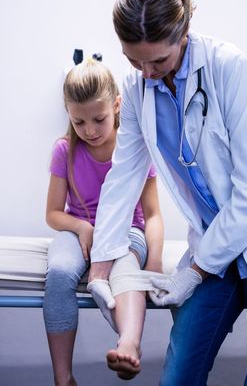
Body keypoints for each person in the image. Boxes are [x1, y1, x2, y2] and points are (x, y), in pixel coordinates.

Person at [88, 0, 247, 386]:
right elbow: (123, 176)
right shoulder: (137, 86)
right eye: (133, 60)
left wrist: (194, 270)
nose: (147, 72)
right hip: (215, 239)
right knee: (179, 370)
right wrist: (99, 268)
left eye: (157, 61)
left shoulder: (227, 67)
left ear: (183, 35)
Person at [43, 57, 164, 386]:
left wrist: (153, 262)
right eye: (79, 122)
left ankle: (128, 345)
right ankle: (63, 378)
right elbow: (53, 213)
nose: (90, 131)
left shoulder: (133, 149)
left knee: (126, 273)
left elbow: (152, 214)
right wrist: (82, 228)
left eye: (99, 119)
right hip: (79, 229)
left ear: (117, 105)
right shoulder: (65, 150)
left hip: (127, 231)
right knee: (59, 273)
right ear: (69, 113)